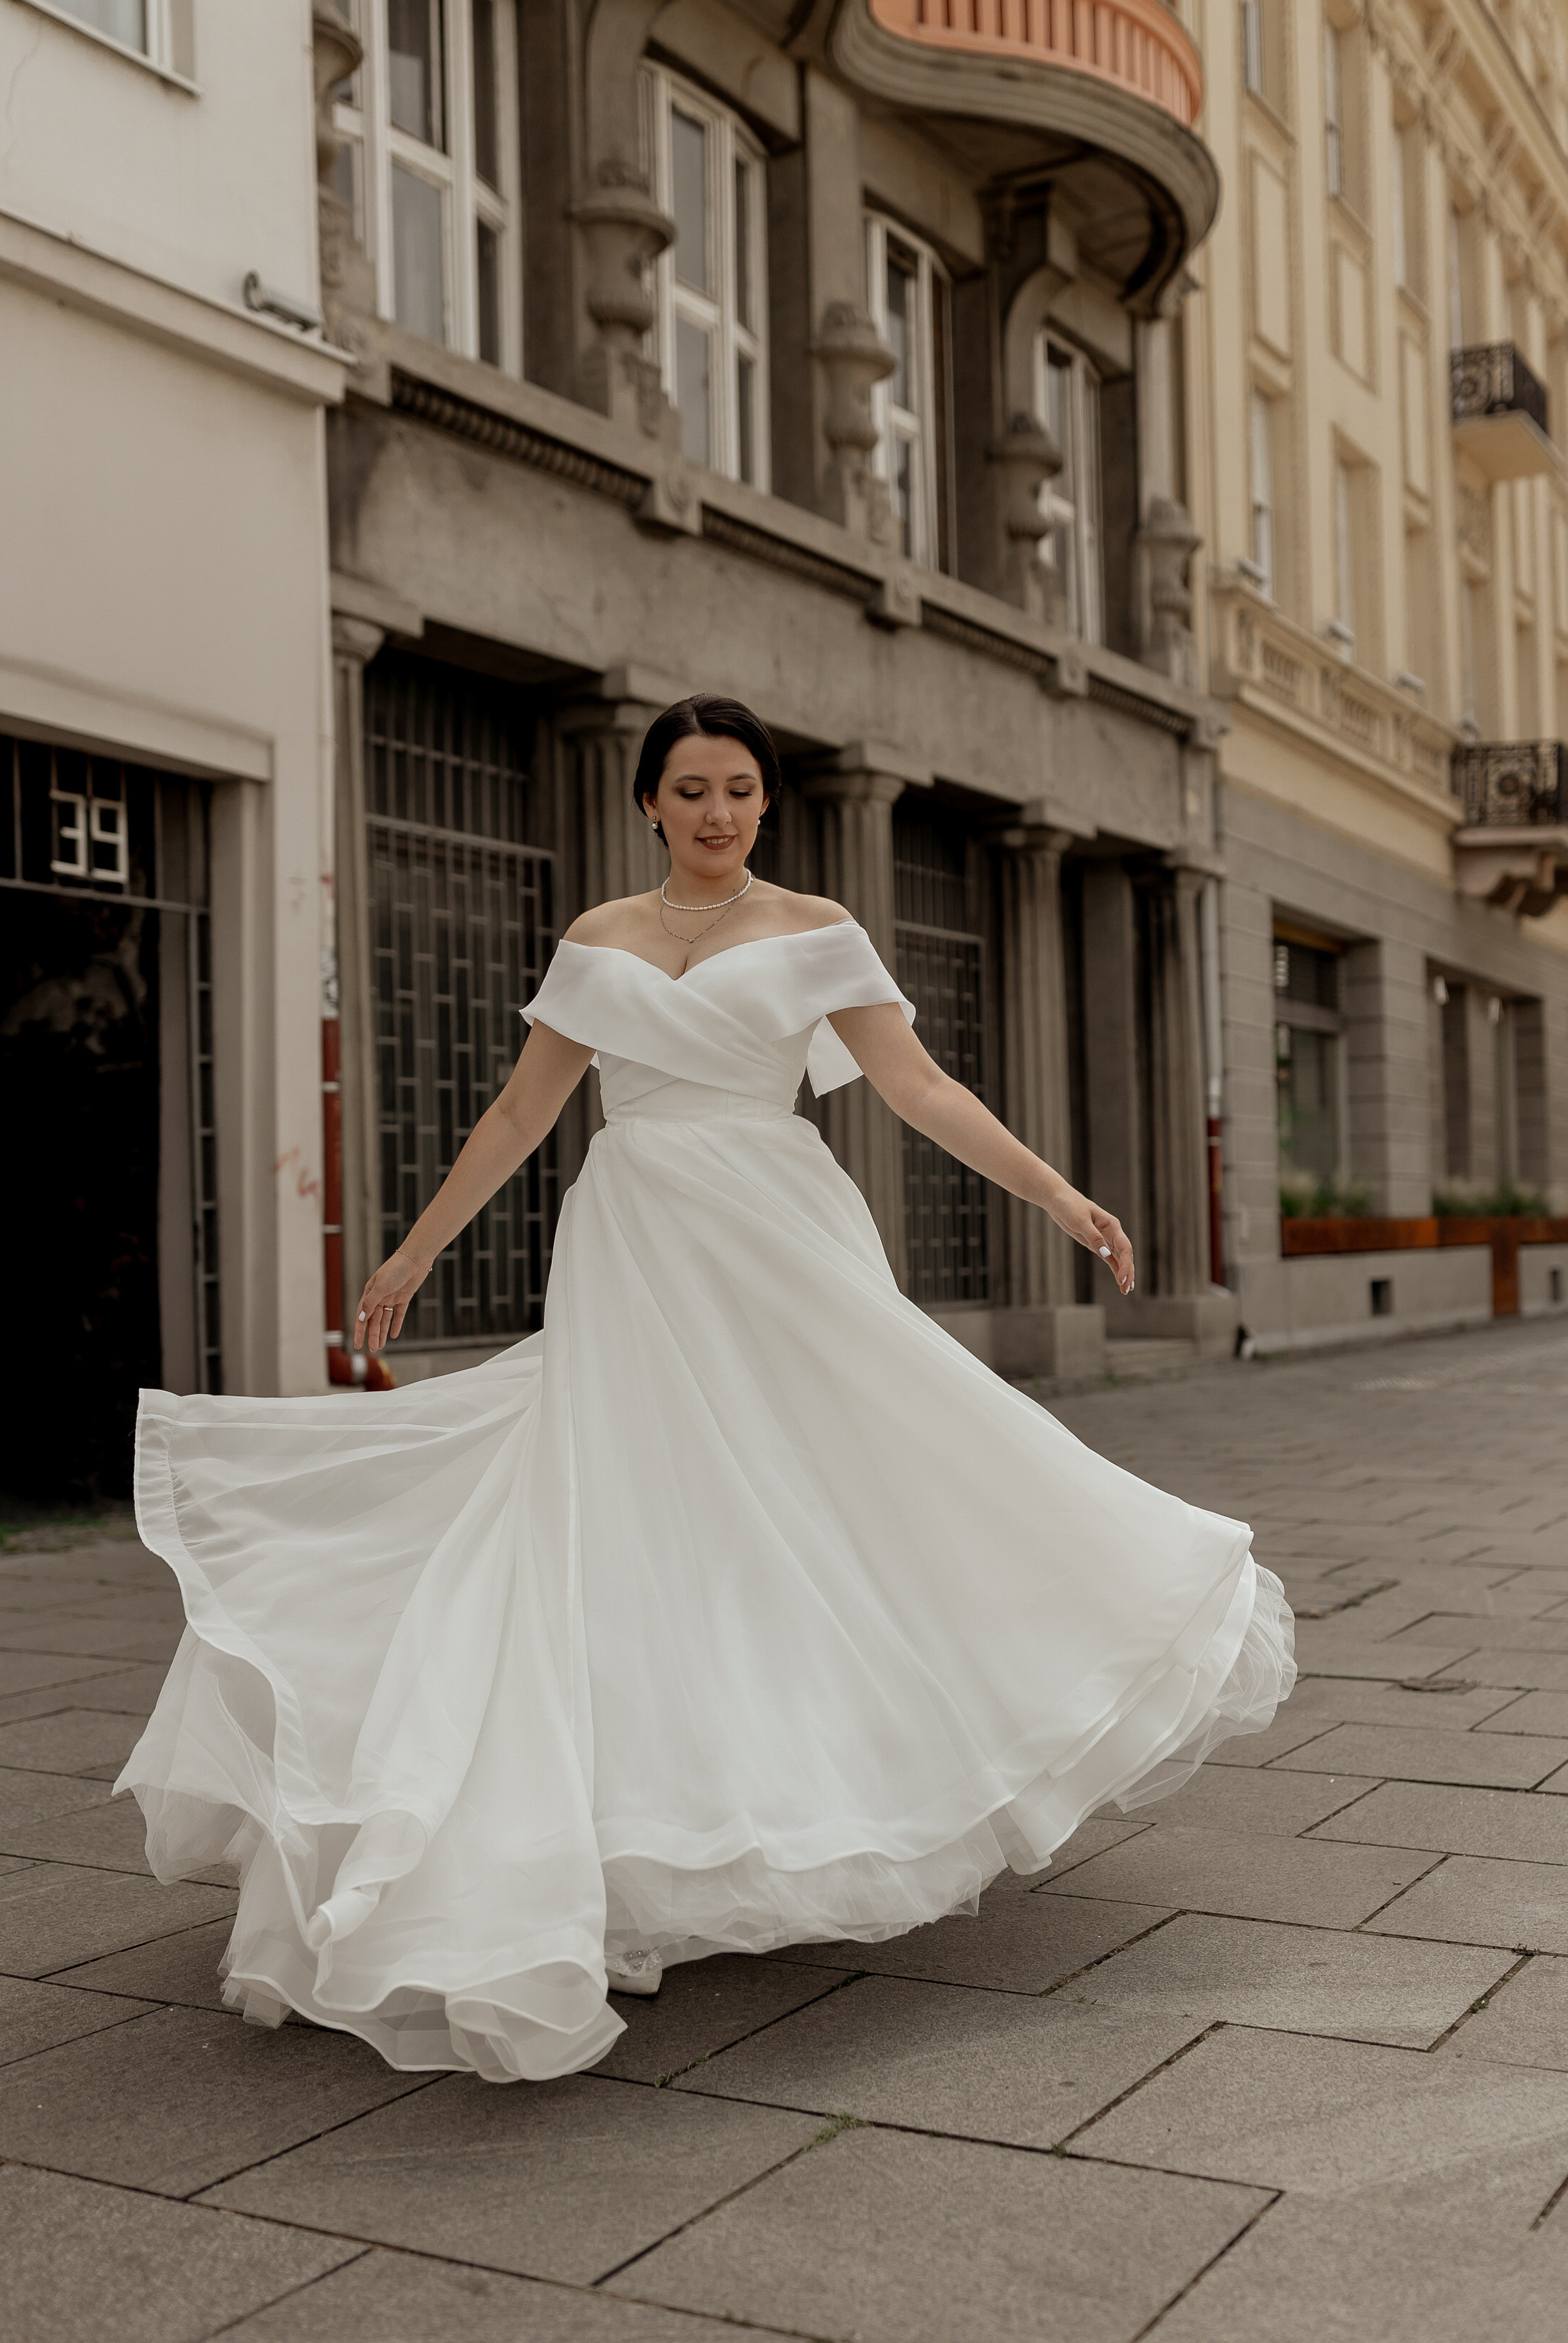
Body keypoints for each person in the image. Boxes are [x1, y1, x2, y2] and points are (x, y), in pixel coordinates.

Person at [120, 693, 1294, 2083]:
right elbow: (519, 1112)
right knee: (630, 1513)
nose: (718, 810)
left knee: (848, 1479)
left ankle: (844, 1772)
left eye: (740, 787)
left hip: (776, 1234)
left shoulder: (817, 932)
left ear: (764, 802)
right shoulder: (596, 942)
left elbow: (916, 1088)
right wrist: (412, 1249)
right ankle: (628, 1847)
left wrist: (1054, 1191)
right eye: (692, 788)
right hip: (633, 1238)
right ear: (649, 804)